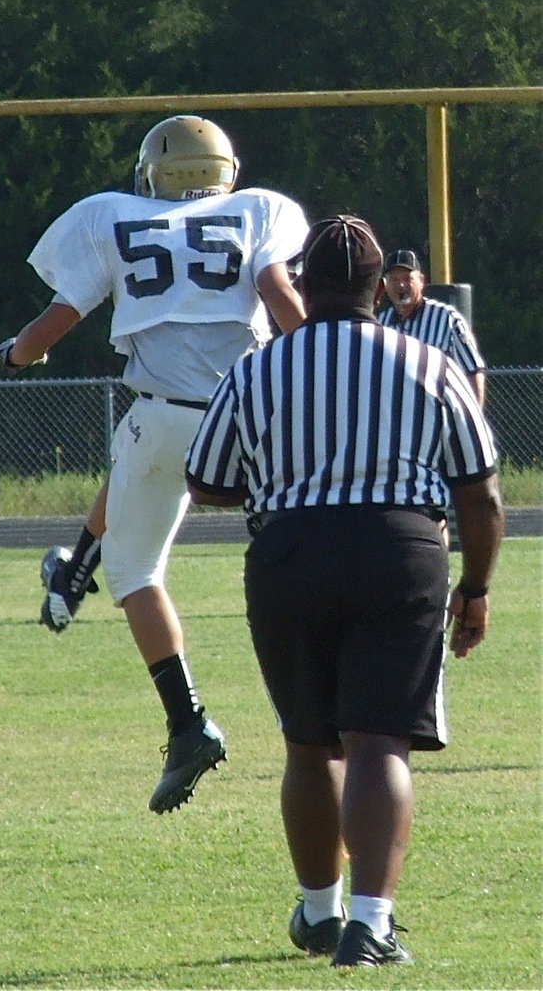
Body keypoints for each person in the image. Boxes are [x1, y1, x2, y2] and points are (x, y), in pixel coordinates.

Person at [185, 215, 504, 966]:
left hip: (289, 552)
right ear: (375, 286)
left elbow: (206, 480)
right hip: (399, 550)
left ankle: (317, 911)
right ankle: (369, 922)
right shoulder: (426, 362)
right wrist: (477, 585)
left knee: (308, 742)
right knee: (378, 740)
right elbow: (481, 494)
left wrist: (284, 483)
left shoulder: (258, 367)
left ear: (300, 285)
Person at [0, 114, 308, 813]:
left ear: (154, 172)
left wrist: (16, 352)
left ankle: (186, 719)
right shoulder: (259, 211)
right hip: (255, 413)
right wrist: (326, 361)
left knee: (135, 571)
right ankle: (315, 696)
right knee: (303, 539)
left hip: (165, 417)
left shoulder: (112, 216)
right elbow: (281, 296)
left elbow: (58, 318)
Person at [378, 248, 487, 406]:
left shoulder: (447, 319)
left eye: (407, 278)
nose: (401, 285)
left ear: (421, 281)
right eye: (394, 279)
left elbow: (472, 370)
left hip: (439, 419)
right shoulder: (382, 322)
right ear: (385, 285)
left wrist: (472, 421)